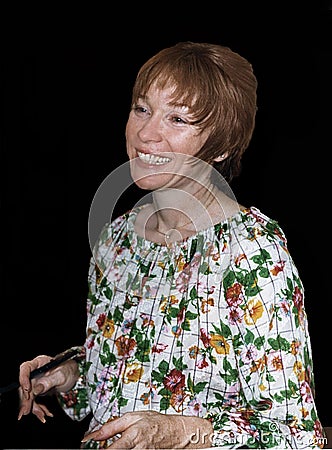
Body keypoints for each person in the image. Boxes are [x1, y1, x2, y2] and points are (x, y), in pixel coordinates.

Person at [17, 41, 326, 449]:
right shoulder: (117, 240)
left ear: (224, 145)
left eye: (178, 119)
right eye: (142, 109)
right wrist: (68, 375)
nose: (146, 133)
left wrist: (177, 433)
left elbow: (297, 436)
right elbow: (115, 383)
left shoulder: (253, 254)